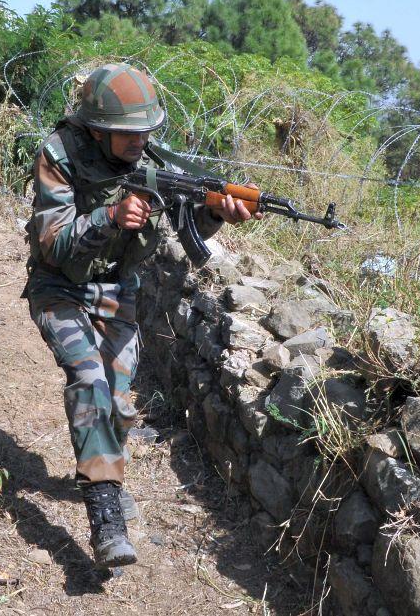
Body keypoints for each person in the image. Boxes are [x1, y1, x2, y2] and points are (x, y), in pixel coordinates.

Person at [23, 63, 262, 569]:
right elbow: (52, 242)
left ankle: (104, 464)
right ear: (96, 127)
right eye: (128, 134)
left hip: (117, 290)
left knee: (118, 394)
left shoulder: (153, 162)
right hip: (58, 287)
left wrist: (215, 212)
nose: (140, 141)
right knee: (88, 376)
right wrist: (109, 217)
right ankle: (105, 513)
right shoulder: (60, 154)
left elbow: (186, 227)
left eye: (147, 132)